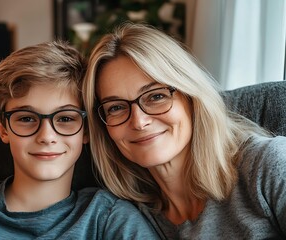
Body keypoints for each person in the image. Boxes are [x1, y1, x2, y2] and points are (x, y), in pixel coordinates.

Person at [0, 41, 160, 239]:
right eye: (27, 118)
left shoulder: (109, 221)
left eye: (66, 118)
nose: (47, 136)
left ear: (87, 129)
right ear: (2, 128)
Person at [82, 22, 286, 239]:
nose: (139, 122)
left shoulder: (267, 164)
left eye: (156, 96)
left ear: (192, 98)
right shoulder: (129, 219)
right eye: (116, 107)